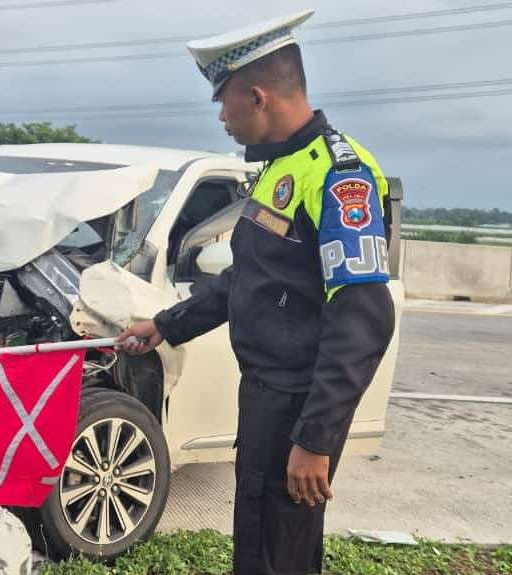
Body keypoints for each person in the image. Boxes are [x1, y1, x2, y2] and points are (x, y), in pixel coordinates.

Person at [116, 10, 396, 575]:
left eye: (224, 101)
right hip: (265, 394)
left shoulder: (341, 178)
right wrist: (167, 324)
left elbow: (365, 316)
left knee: (283, 551)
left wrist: (316, 438)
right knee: (259, 537)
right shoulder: (278, 169)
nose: (222, 116)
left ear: (258, 96)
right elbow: (248, 280)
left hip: (300, 401)